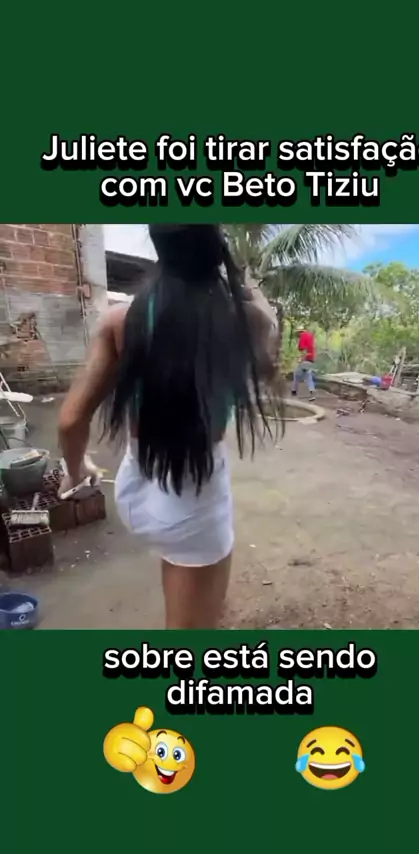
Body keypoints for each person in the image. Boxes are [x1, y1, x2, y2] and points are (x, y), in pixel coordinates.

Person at [58, 225, 282, 629]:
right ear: (215, 244)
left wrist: (76, 472)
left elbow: (71, 419)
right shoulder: (247, 321)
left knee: (177, 562)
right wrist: (248, 288)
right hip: (194, 505)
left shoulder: (122, 319)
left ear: (159, 246)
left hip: (133, 493)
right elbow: (265, 370)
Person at [291, 327, 316, 401]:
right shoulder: (310, 336)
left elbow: (304, 350)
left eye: (297, 333)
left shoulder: (303, 336)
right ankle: (312, 392)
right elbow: (312, 348)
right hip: (311, 359)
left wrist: (301, 359)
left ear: (300, 332)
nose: (297, 335)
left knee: (296, 375)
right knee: (308, 376)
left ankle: (294, 391)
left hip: (305, 359)